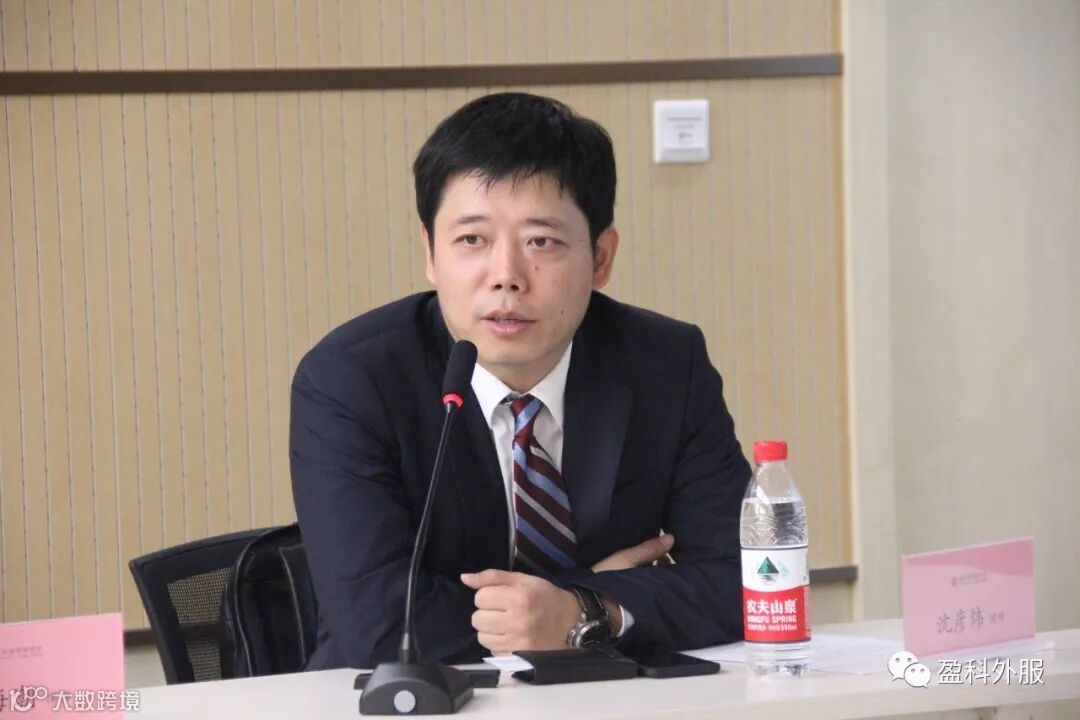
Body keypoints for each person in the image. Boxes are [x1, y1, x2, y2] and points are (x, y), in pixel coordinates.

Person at [290, 92, 751, 671]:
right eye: (472, 240)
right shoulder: (352, 381)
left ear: (601, 257)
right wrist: (576, 606)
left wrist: (581, 608)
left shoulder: (665, 365)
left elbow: (752, 580)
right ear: (430, 253)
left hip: (612, 701)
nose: (506, 276)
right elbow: (377, 625)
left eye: (542, 242)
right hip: (412, 701)